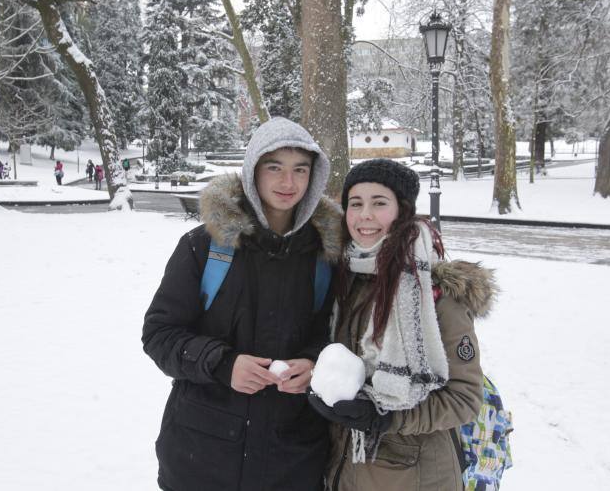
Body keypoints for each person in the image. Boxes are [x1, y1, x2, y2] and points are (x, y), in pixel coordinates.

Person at [142, 117, 341, 491]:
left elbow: (338, 338)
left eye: (300, 170)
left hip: (291, 462)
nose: (288, 183)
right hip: (200, 460)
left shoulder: (326, 256)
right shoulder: (204, 246)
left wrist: (315, 364)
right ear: (253, 171)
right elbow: (159, 334)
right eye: (275, 168)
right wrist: (221, 364)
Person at [308, 159, 496, 491]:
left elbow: (463, 399)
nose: (365, 214)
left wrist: (387, 417)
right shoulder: (345, 280)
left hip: (416, 476)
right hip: (347, 469)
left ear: (402, 211)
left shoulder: (434, 292)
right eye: (356, 203)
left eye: (379, 203)